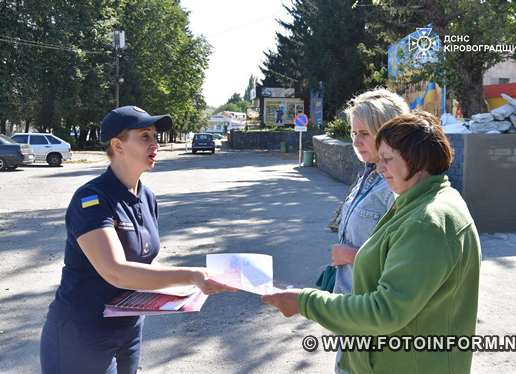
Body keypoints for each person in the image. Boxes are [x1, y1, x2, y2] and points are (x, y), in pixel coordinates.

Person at [263, 111, 481, 374]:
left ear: (418, 161)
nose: (379, 168)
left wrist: (304, 302)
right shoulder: (420, 200)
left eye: (387, 159)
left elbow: (384, 310)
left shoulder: (426, 221)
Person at [40, 106, 234, 374]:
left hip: (128, 328)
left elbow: (143, 262)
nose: (155, 143)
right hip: (81, 334)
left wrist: (178, 294)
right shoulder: (91, 199)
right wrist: (191, 275)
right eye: (144, 136)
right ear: (117, 145)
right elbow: (116, 272)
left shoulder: (147, 197)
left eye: (154, 136)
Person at [330, 89, 408, 296]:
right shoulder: (369, 173)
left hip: (371, 310)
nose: (356, 142)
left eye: (364, 133)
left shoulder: (398, 186)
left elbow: (409, 263)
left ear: (390, 134)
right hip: (349, 299)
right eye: (354, 133)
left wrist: (350, 256)